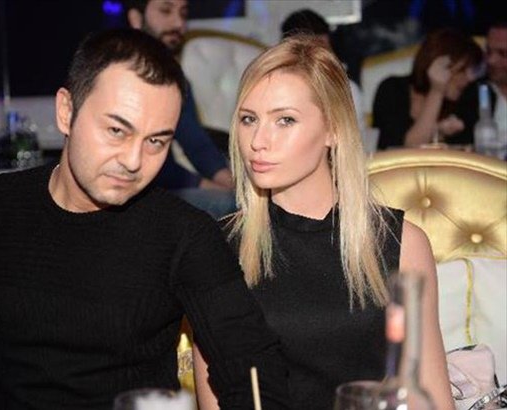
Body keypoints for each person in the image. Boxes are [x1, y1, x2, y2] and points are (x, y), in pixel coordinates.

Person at [0, 29, 292, 410]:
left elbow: (250, 362)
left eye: (156, 141)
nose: (133, 161)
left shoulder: (184, 234)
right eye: (117, 131)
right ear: (66, 111)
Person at [192, 36, 454, 409]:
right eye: (249, 119)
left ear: (333, 129)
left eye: (285, 120)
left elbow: (429, 396)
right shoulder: (215, 249)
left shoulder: (401, 243)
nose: (258, 141)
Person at [125, 0, 236, 218]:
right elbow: (145, 162)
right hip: (133, 193)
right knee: (228, 205)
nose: (178, 23)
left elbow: (196, 143)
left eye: (183, 14)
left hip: (167, 186)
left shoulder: (177, 80)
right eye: (166, 11)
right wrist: (209, 187)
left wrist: (232, 184)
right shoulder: (122, 75)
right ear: (136, 18)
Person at [373, 27, 483, 149]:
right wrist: (437, 91)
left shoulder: (468, 96)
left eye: (471, 70)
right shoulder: (392, 89)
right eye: (462, 70)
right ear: (436, 66)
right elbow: (409, 148)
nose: (469, 78)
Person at [280, 8, 367, 137]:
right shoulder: (273, 88)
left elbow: (353, 140)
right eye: (315, 50)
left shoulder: (346, 89)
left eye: (326, 49)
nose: (325, 56)